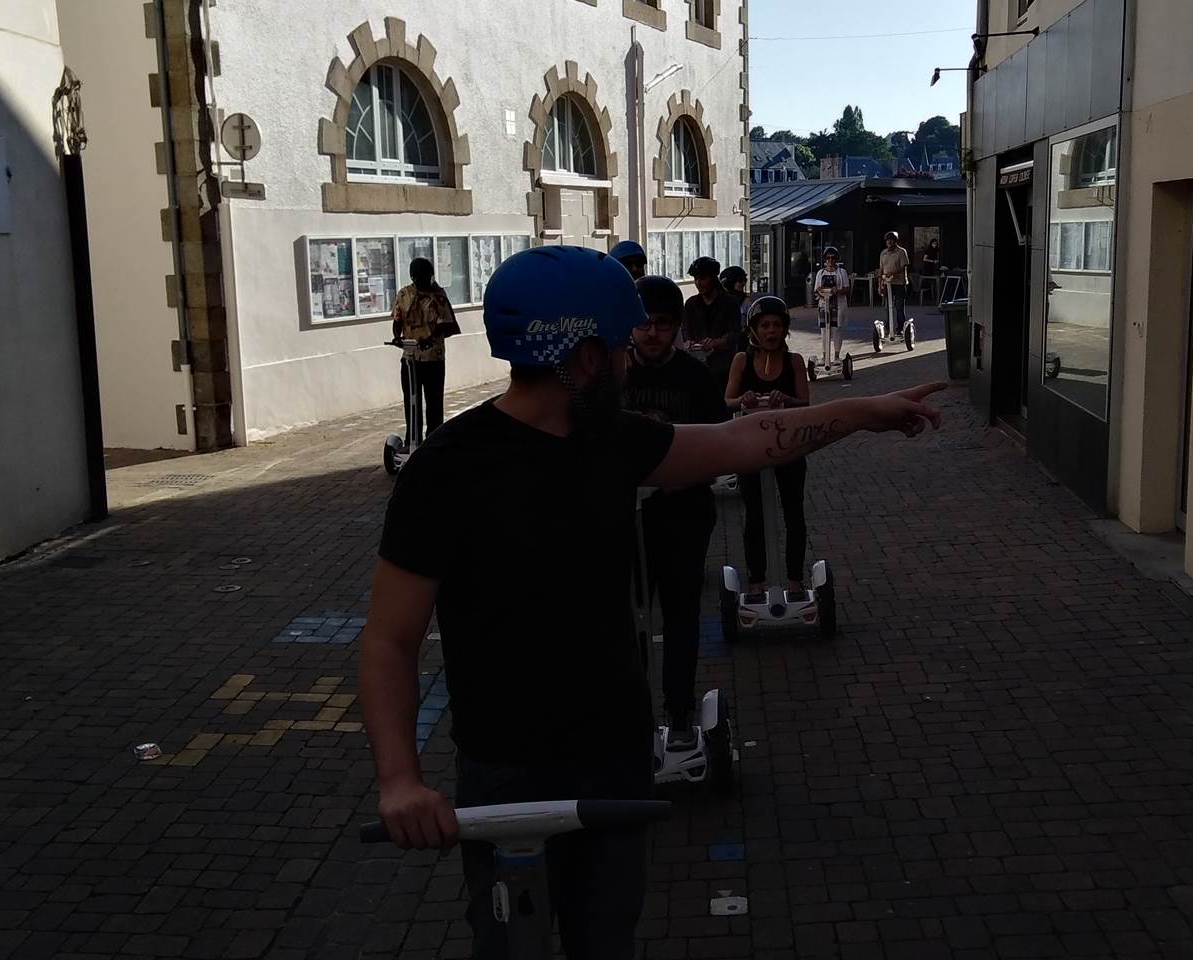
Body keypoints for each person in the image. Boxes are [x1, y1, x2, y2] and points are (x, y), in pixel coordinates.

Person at [360, 245, 945, 959]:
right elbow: (389, 640)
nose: (628, 360)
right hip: (502, 771)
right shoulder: (443, 472)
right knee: (508, 945)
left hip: (613, 755)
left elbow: (741, 440)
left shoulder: (612, 442)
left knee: (606, 942)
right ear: (579, 356)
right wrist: (399, 782)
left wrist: (859, 411)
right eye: (616, 347)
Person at [624, 275, 729, 751]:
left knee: (681, 612)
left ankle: (680, 711)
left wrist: (684, 476)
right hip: (625, 520)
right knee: (625, 615)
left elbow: (720, 443)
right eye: (643, 324)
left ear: (676, 327)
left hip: (684, 513)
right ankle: (627, 712)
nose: (651, 333)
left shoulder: (694, 377)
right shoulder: (610, 376)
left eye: (662, 325)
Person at [725, 296, 811, 599]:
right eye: (765, 326)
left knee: (793, 512)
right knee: (755, 515)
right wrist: (745, 399)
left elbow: (805, 403)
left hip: (788, 446)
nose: (771, 332)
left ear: (784, 330)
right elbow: (728, 400)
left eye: (776, 326)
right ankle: (756, 578)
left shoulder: (794, 362)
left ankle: (795, 578)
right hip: (751, 447)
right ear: (754, 330)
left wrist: (785, 400)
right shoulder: (742, 360)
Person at [391, 257, 460, 442]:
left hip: (433, 358)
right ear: (413, 277)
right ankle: (412, 439)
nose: (427, 280)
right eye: (422, 276)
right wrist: (397, 338)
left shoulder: (438, 296)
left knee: (434, 402)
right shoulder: (404, 294)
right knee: (412, 401)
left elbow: (446, 325)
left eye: (429, 276)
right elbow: (397, 321)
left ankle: (434, 440)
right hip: (410, 358)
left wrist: (429, 339)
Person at [683, 256, 744, 387]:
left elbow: (735, 334)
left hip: (724, 368)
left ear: (713, 279)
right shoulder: (691, 304)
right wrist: (688, 341)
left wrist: (716, 342)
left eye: (703, 278)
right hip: (698, 366)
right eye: (696, 279)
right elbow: (686, 329)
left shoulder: (729, 302)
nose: (698, 283)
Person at [812, 247, 850, 362]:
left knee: (836, 329)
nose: (830, 260)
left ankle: (837, 356)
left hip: (838, 305)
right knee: (824, 330)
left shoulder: (841, 272)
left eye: (833, 257)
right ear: (825, 259)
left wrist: (836, 291)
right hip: (824, 304)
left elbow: (847, 289)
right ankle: (825, 356)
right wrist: (821, 292)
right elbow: (816, 289)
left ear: (836, 259)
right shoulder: (820, 273)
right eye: (828, 257)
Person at [879, 230, 911, 338]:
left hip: (899, 283)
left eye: (891, 240)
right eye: (887, 240)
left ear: (895, 241)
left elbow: (903, 267)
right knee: (888, 306)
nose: (889, 242)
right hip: (887, 283)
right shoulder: (883, 253)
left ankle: (900, 328)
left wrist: (893, 273)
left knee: (898, 306)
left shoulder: (901, 252)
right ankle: (888, 326)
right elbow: (881, 269)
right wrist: (880, 284)